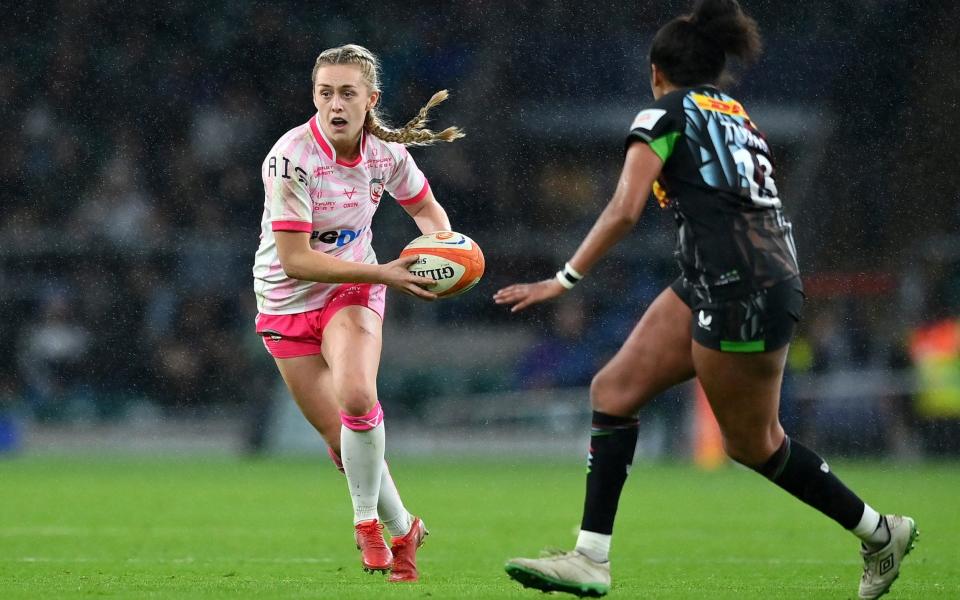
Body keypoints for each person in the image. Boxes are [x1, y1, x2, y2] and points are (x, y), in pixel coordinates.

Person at [494, 2, 916, 598]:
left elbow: (623, 209)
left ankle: (879, 531)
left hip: (738, 286)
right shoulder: (739, 115)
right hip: (733, 276)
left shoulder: (662, 113)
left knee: (753, 443)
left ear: (656, 71)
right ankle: (590, 557)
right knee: (612, 391)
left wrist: (561, 280)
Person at [252, 44, 463, 582]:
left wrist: (444, 251)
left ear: (371, 100)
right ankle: (405, 529)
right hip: (284, 300)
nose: (335, 104)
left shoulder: (386, 155)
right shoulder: (291, 157)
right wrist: (389, 272)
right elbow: (297, 261)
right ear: (314, 97)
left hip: (351, 293)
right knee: (344, 444)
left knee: (357, 396)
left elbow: (424, 209)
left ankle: (366, 521)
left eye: (347, 93)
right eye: (325, 93)